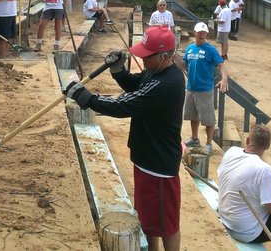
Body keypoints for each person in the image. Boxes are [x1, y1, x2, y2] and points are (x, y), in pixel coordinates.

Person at [63, 26, 185, 251]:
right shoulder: (156, 71)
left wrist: (85, 97)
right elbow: (137, 84)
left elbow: (124, 105)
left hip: (159, 164)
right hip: (146, 157)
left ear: (165, 55)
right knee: (149, 219)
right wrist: (119, 71)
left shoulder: (167, 84)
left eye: (147, 56)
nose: (143, 59)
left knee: (166, 224)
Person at [182, 22, 227, 155]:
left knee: (208, 118)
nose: (201, 35)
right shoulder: (189, 48)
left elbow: (222, 66)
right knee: (193, 115)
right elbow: (183, 65)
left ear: (206, 34)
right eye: (199, 32)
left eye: (204, 33)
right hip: (190, 88)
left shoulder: (211, 50)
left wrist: (224, 79)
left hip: (205, 89)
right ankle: (194, 138)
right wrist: (174, 58)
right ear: (194, 33)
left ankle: (208, 143)